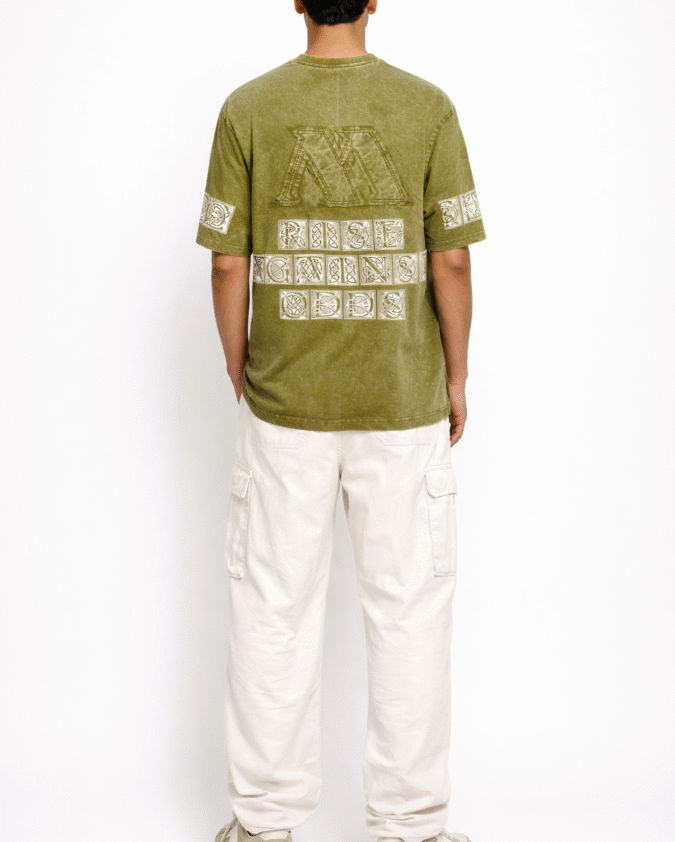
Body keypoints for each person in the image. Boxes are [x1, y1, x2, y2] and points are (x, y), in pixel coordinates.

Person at [195, 2, 486, 842]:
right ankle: (410, 827)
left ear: (296, 1)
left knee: (271, 613)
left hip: (284, 409)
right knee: (409, 615)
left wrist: (236, 361)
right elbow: (451, 258)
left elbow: (226, 263)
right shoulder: (426, 107)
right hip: (401, 405)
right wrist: (456, 374)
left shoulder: (247, 108)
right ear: (373, 0)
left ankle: (263, 825)